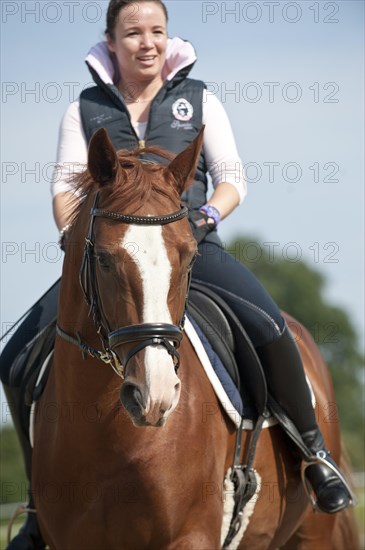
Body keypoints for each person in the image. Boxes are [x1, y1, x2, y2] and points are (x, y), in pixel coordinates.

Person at [1, 0, 352, 548]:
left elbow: (233, 178)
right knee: (16, 355)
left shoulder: (200, 100)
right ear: (111, 43)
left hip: (188, 244)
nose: (148, 42)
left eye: (157, 31)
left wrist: (206, 214)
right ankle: (41, 506)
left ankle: (314, 455)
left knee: (271, 328)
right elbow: (63, 194)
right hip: (108, 257)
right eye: (133, 32)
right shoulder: (83, 110)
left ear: (169, 39)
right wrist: (86, 246)